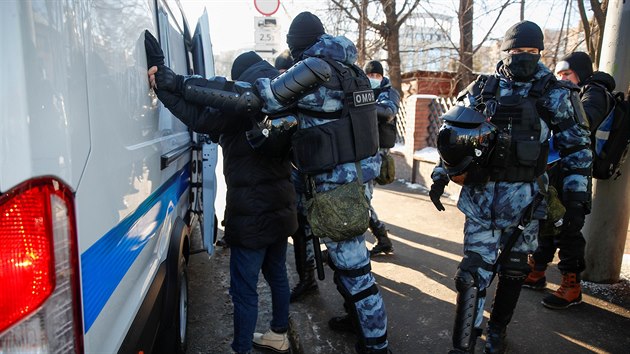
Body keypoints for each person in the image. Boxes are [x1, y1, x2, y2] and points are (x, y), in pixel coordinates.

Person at [429, 21, 592, 354]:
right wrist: (440, 173)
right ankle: (464, 344)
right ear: (505, 51)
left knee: (515, 273)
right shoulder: (482, 89)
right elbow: (453, 137)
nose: (525, 57)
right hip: (481, 200)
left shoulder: (555, 93)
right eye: (518, 51)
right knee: (471, 277)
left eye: (532, 51)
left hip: (526, 204)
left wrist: (576, 199)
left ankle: (498, 330)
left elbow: (578, 149)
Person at [145, 37, 297, 354]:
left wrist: (162, 87)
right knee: (277, 275)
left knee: (243, 289)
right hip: (281, 211)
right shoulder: (282, 99)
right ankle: (279, 333)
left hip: (251, 215)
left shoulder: (239, 106)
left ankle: (241, 349)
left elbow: (199, 117)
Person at [523, 51, 615, 309]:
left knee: (568, 227)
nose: (562, 78)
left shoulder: (594, 93)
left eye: (567, 74)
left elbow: (582, 123)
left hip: (577, 171)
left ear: (581, 74)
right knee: (547, 219)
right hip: (556, 167)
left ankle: (572, 286)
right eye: (559, 74)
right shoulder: (571, 93)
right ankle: (536, 272)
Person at [363, 60, 400, 256]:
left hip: (377, 155)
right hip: (363, 152)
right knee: (361, 199)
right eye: (370, 76)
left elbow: (387, 112)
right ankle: (383, 238)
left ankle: (358, 249)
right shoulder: (361, 90)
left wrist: (361, 106)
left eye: (377, 76)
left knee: (362, 200)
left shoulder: (389, 92)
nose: (374, 79)